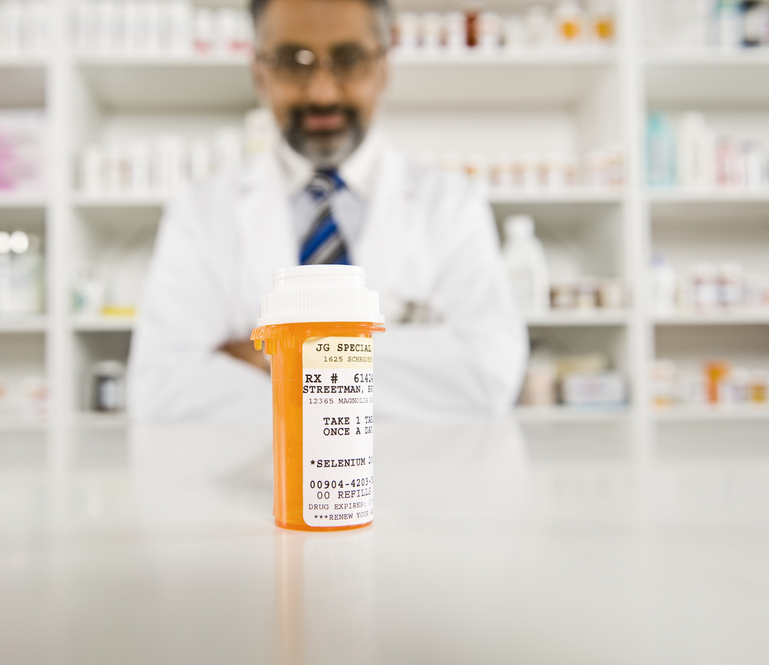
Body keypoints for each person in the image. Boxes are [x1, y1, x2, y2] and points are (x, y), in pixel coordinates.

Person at [129, 0, 527, 422]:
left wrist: (276, 357)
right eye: (291, 61)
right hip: (256, 484)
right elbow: (161, 390)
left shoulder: (451, 204)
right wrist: (388, 360)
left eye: (349, 59)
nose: (321, 91)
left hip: (415, 482)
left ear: (383, 66)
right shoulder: (200, 210)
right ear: (258, 71)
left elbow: (489, 375)